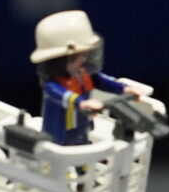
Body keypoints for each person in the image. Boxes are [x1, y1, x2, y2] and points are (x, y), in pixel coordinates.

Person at [30, 10, 143, 146]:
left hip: (82, 123)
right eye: (80, 56)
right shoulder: (52, 86)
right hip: (60, 133)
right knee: (66, 150)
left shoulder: (82, 74)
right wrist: (81, 103)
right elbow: (64, 96)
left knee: (82, 144)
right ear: (62, 60)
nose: (84, 59)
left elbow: (101, 81)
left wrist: (124, 89)